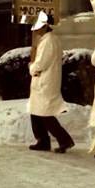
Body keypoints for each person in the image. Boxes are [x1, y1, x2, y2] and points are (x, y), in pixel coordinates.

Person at [27, 12, 74, 153]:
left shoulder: (48, 41)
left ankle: (63, 139)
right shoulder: (48, 40)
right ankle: (43, 140)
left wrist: (32, 67)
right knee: (36, 112)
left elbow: (41, 63)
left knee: (45, 113)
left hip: (45, 82)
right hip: (44, 81)